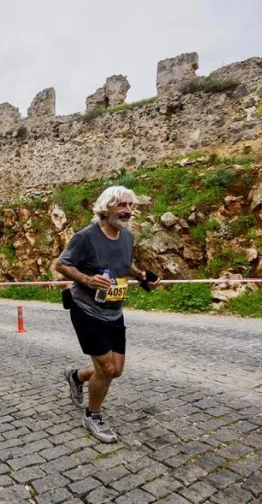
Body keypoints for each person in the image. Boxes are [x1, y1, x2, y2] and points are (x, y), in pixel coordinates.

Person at [55, 185, 160, 443]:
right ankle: (93, 416)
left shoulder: (127, 236)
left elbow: (123, 263)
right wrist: (88, 280)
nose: (127, 211)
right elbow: (61, 265)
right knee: (107, 368)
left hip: (114, 310)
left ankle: (76, 376)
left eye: (130, 206)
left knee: (116, 370)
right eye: (121, 205)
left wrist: (140, 276)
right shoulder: (86, 237)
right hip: (86, 310)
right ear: (106, 208)